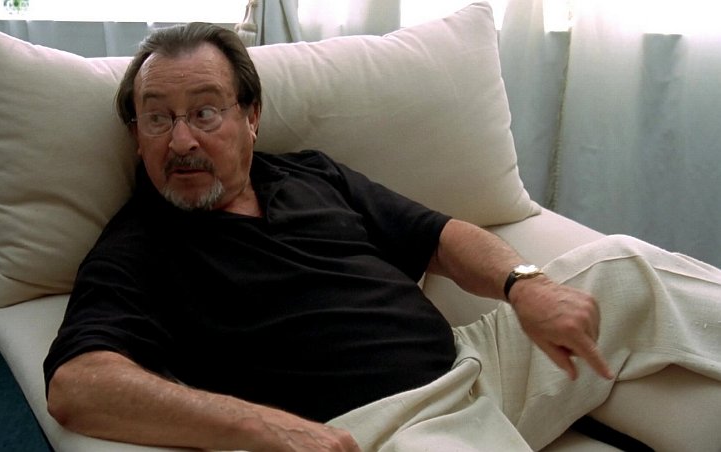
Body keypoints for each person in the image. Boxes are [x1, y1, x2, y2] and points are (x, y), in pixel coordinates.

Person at [43, 22, 721, 451]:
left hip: (474, 361)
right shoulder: (138, 244)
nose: (182, 140)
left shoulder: (309, 173)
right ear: (136, 135)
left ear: (251, 117)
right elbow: (78, 385)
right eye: (157, 118)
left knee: (622, 265)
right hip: (383, 428)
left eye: (204, 112)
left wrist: (525, 285)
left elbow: (439, 236)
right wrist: (255, 424)